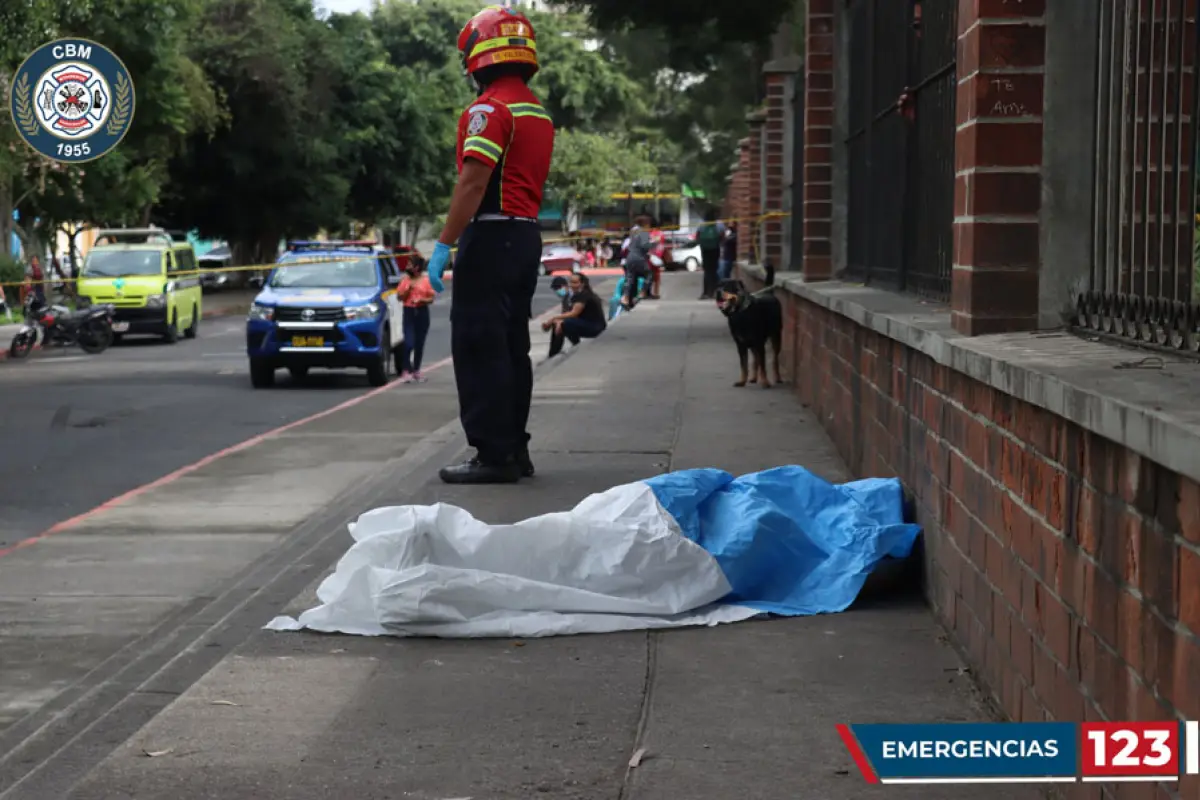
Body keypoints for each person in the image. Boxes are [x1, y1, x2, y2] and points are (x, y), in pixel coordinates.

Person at [423, 5, 555, 485]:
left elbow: (473, 184)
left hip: (493, 234)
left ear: (478, 54)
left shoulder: (490, 110)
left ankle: (492, 454)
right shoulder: (536, 112)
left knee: (479, 345)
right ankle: (514, 448)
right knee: (511, 346)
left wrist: (444, 244)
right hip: (524, 236)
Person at [543, 273, 606, 357]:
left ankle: (577, 346)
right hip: (587, 324)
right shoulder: (576, 296)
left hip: (595, 327)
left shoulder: (583, 295)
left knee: (565, 323)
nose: (572, 285)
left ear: (582, 284)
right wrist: (556, 321)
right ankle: (553, 354)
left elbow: (574, 314)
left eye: (575, 282)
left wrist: (554, 318)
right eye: (571, 282)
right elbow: (567, 314)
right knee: (559, 324)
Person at [397, 256, 435, 383]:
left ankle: (416, 371)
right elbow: (400, 297)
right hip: (409, 312)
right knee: (409, 342)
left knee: (419, 343)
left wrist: (421, 300)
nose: (407, 267)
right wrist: (408, 290)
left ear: (417, 267)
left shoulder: (425, 281)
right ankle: (406, 370)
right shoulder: (405, 281)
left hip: (422, 313)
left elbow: (431, 298)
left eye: (409, 264)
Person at [622, 215, 653, 310]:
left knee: (630, 278)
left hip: (630, 256)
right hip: (639, 257)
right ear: (645, 223)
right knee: (649, 274)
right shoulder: (644, 232)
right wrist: (654, 243)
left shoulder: (633, 230)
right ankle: (642, 293)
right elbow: (645, 246)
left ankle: (625, 298)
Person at [696, 208, 723, 300]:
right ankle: (714, 292)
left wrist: (702, 245)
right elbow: (722, 236)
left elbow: (697, 236)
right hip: (715, 249)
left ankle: (705, 293)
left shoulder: (702, 224)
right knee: (714, 270)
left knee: (707, 271)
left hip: (705, 250)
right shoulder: (719, 224)